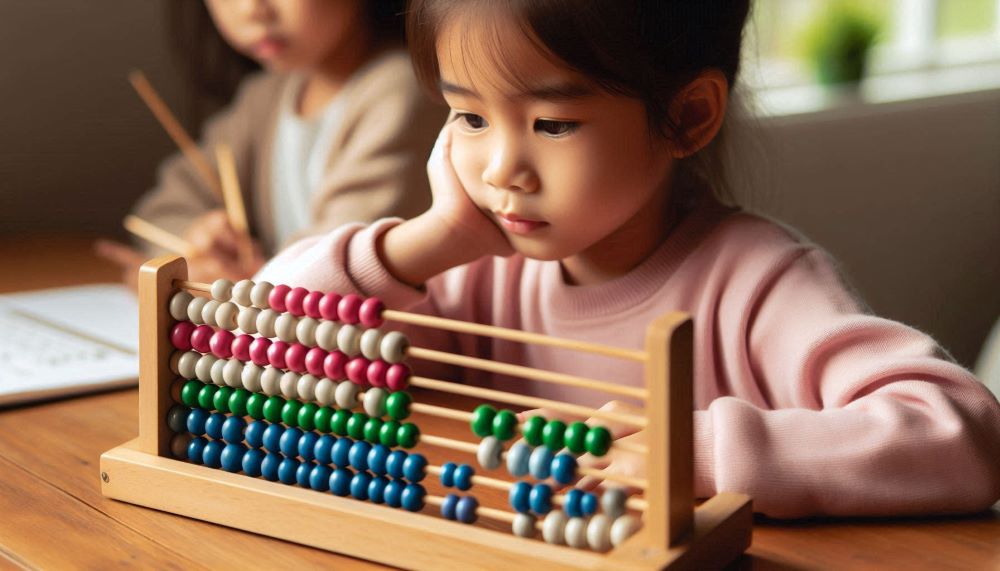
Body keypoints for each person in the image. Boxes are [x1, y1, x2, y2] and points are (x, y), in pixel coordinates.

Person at [255, 0, 1000, 518]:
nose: (500, 168)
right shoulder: (471, 268)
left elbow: (960, 433)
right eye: (471, 117)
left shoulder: (755, 283)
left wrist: (694, 451)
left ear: (687, 116)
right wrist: (427, 239)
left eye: (551, 123)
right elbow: (259, 342)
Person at [98, 0, 446, 285]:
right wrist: (196, 244)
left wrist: (247, 280)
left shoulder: (400, 91)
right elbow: (162, 211)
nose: (251, 9)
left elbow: (341, 261)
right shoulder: (266, 97)